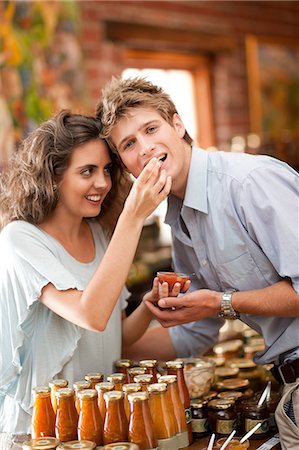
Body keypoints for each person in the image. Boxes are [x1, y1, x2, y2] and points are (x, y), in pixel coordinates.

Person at [96, 76, 299, 449]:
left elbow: (220, 305)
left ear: (178, 124)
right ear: (125, 164)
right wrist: (104, 353)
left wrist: (223, 302)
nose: (144, 148)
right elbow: (194, 334)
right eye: (129, 144)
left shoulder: (248, 183)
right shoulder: (180, 218)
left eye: (151, 128)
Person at [0, 109, 171, 448]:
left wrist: (148, 308)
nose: (103, 183)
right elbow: (90, 314)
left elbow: (114, 335)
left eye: (107, 169)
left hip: (98, 426)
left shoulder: (99, 235)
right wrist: (133, 217)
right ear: (52, 176)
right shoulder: (20, 239)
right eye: (87, 171)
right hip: (42, 433)